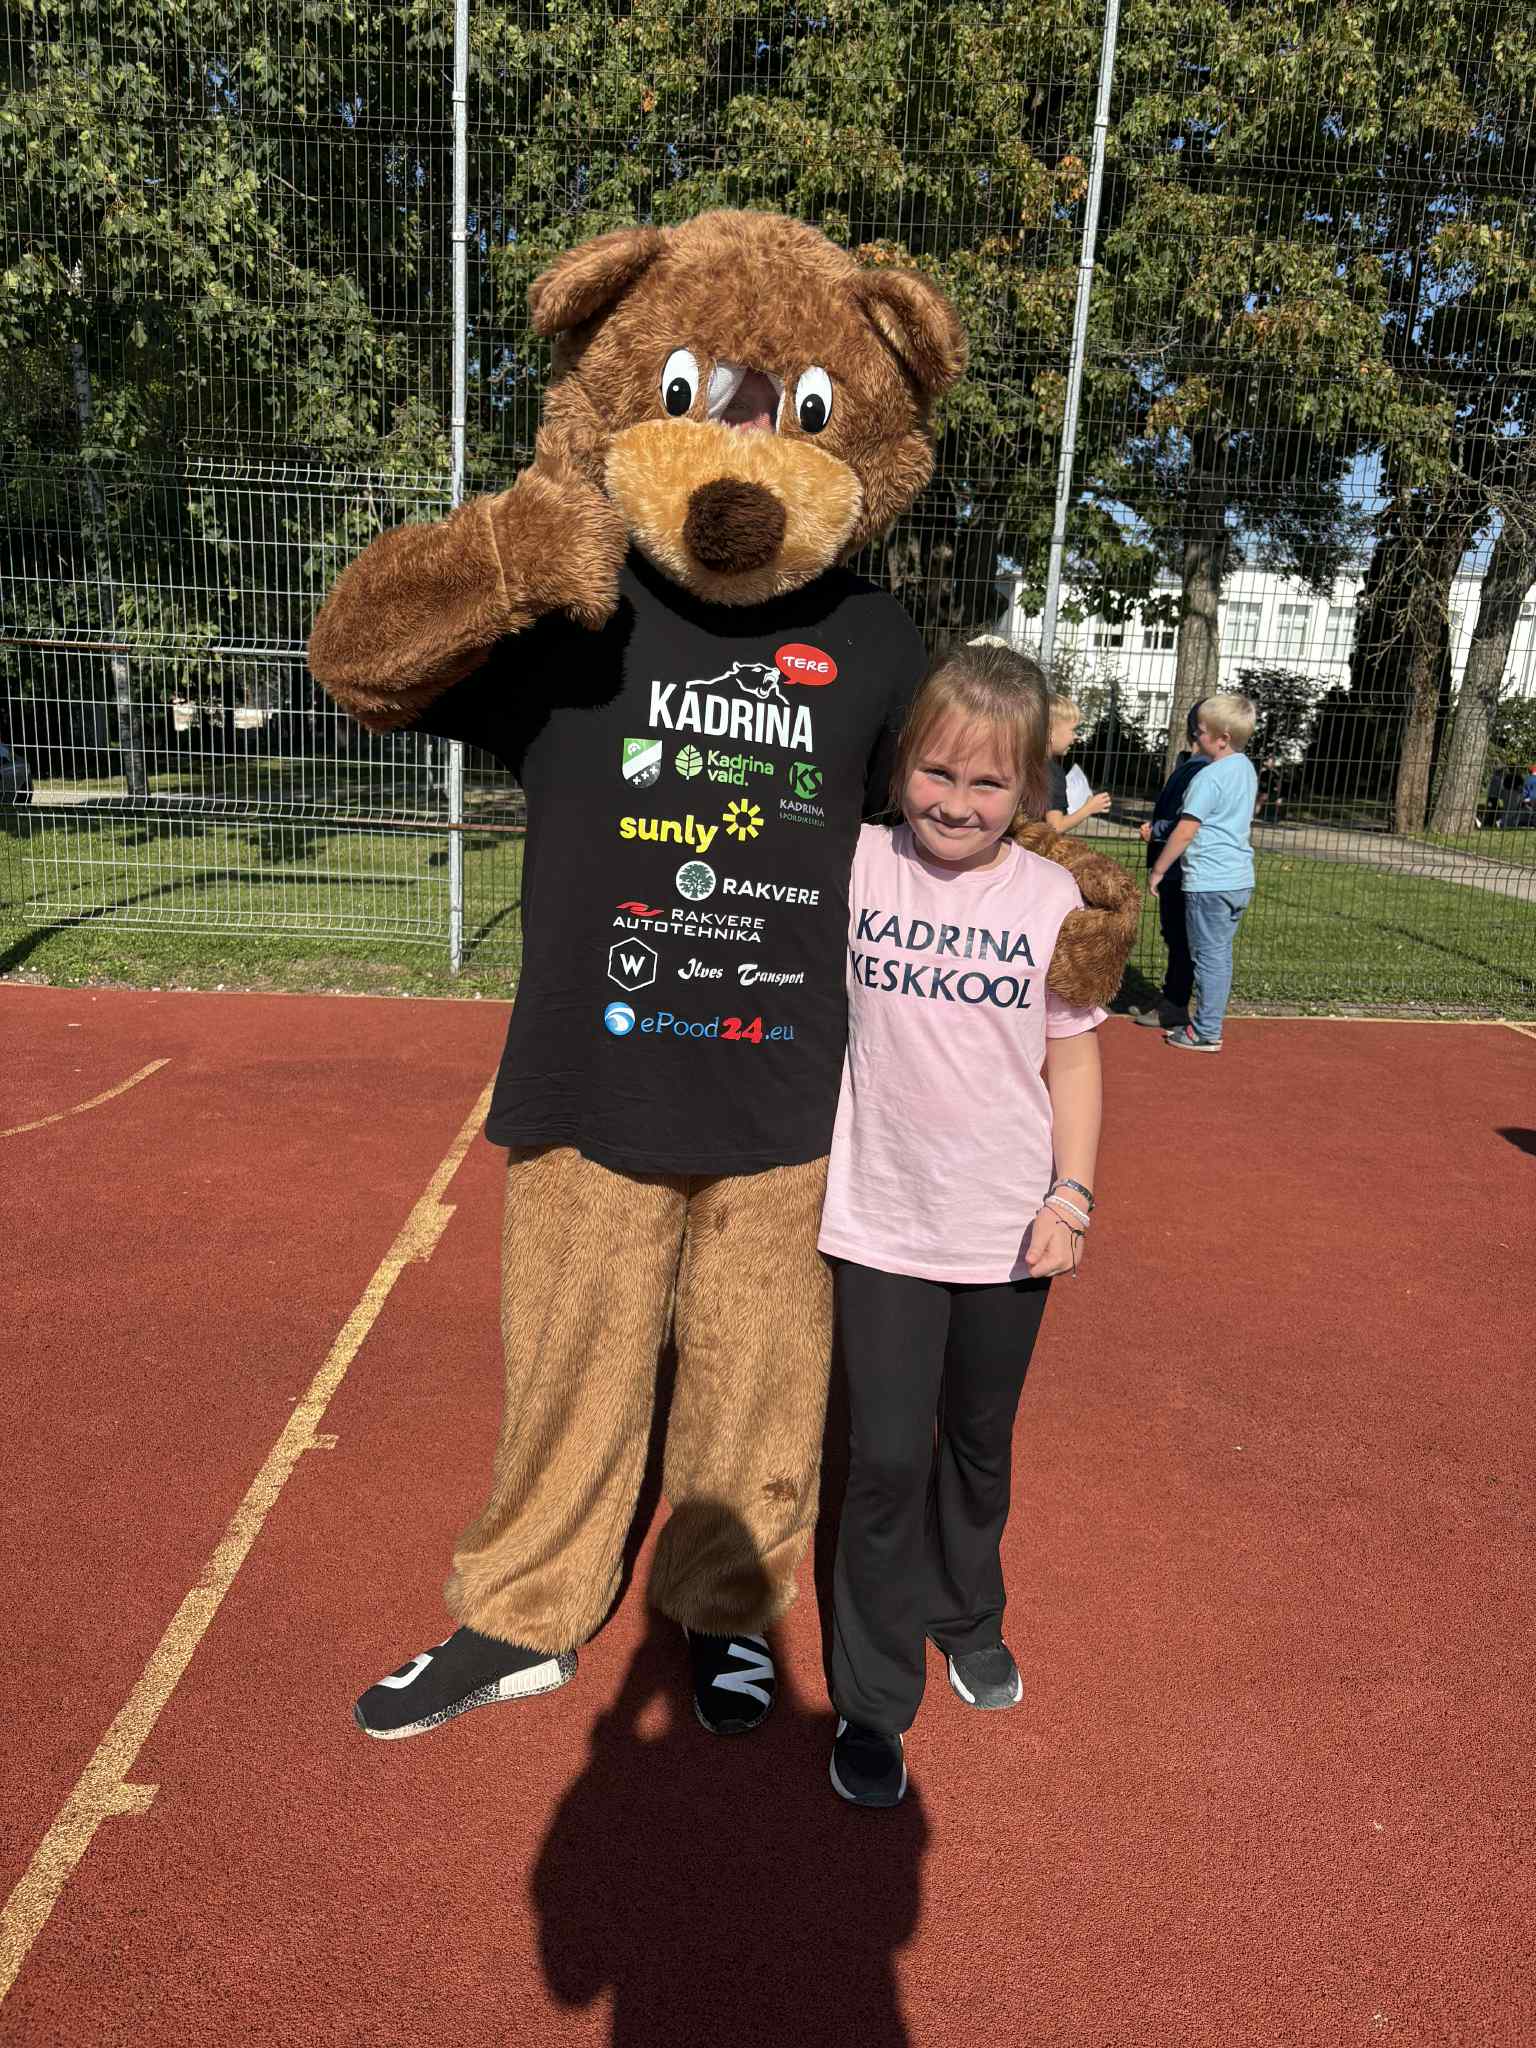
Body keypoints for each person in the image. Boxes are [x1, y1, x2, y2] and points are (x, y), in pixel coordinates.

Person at [815, 640, 1106, 1807]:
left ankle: (967, 1612)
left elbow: (1071, 1057)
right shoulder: (855, 862)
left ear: (1028, 788)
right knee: (886, 1456)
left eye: (989, 782)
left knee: (979, 1442)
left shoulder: (1051, 896)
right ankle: (873, 1695)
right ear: (902, 766)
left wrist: (1072, 1195)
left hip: (1007, 1222)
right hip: (881, 1218)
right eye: (938, 771)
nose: (957, 800)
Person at [1148, 692, 1259, 1054]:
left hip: (1209, 881)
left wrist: (1159, 869)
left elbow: (1185, 830)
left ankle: (1206, 1030)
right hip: (1238, 878)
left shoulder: (1208, 777)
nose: (1196, 736)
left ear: (1222, 738)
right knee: (1219, 955)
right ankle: (1208, 1023)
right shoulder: (1245, 769)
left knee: (1208, 957)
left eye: (1201, 730)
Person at [1127, 701, 1211, 1031]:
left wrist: (1157, 830)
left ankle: (1175, 1005)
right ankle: (1171, 998)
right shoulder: (1188, 765)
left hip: (1182, 866)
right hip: (1173, 864)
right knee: (1174, 935)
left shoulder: (1201, 771)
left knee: (1182, 939)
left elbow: (1188, 820)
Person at [1043, 690, 1112, 834]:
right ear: (1050, 733)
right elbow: (1055, 827)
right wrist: (1088, 808)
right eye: (1072, 730)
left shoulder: (1022, 763)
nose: (1076, 737)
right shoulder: (1052, 773)